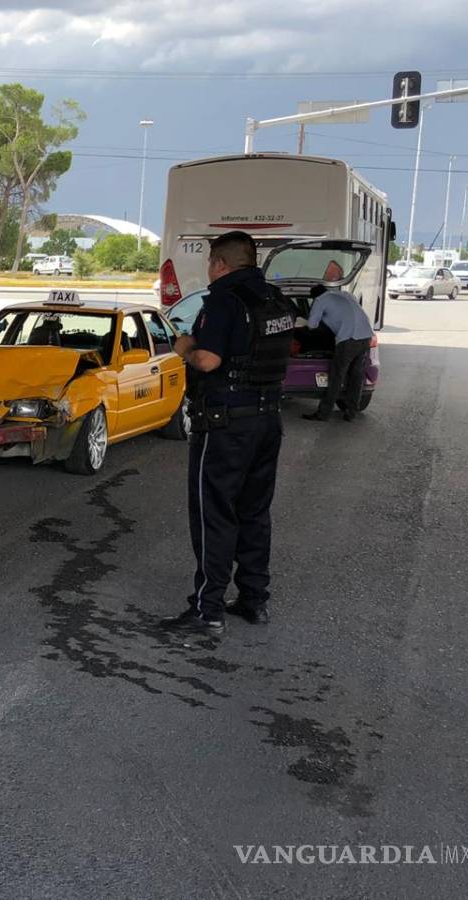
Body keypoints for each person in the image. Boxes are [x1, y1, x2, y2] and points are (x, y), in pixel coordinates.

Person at [162, 231, 296, 636]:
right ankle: (254, 600)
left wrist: (184, 346)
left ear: (220, 263)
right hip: (267, 419)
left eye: (209, 263)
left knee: (214, 514)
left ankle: (208, 610)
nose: (209, 271)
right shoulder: (275, 300)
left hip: (225, 425)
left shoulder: (223, 300)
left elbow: (208, 359)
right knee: (254, 512)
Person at [300, 284, 374, 422]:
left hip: (348, 340)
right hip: (366, 337)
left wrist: (302, 321)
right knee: (356, 377)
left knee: (336, 377)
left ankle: (323, 414)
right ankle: (351, 412)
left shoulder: (320, 300)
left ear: (314, 296)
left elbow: (312, 325)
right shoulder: (346, 295)